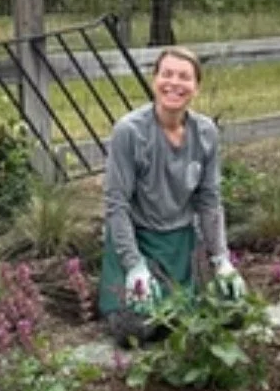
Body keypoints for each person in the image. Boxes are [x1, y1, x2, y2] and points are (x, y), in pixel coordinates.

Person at [98, 46, 245, 341]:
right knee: (138, 330)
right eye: (167, 74)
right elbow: (116, 205)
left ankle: (186, 293)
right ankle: (128, 297)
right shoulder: (130, 132)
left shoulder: (205, 134)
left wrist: (221, 260)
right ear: (155, 80)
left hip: (182, 242)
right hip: (138, 239)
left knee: (233, 312)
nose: (174, 84)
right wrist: (133, 265)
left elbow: (209, 201)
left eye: (184, 77)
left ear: (196, 87)